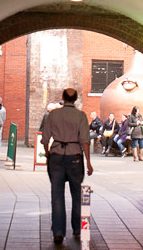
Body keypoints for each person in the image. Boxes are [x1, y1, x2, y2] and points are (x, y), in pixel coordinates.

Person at [41, 88, 93, 245]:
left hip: (56, 156)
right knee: (77, 194)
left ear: (63, 97)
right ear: (76, 99)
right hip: (75, 156)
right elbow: (85, 140)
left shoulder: (54, 115)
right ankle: (78, 228)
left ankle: (58, 232)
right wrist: (89, 162)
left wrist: (48, 152)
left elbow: (44, 138)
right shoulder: (81, 116)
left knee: (57, 195)